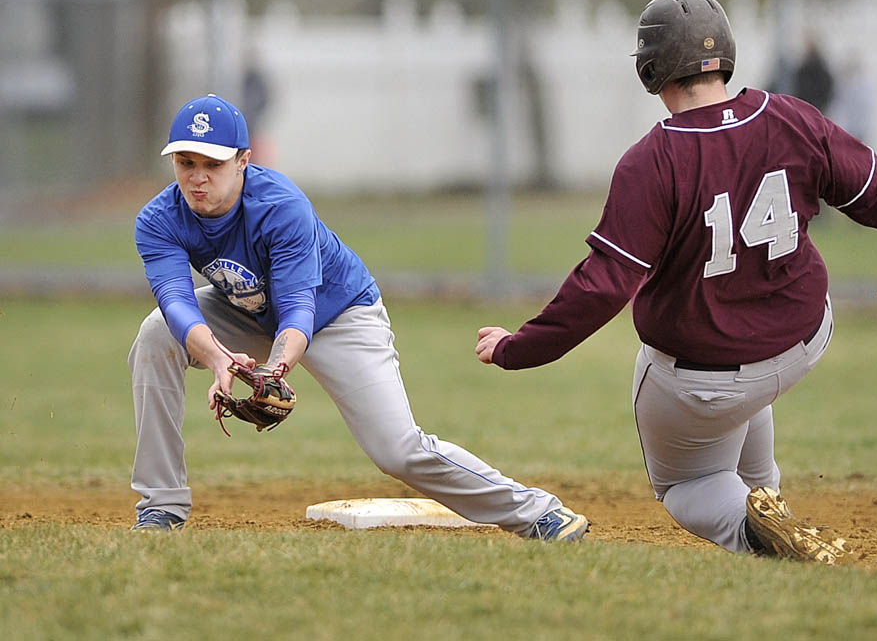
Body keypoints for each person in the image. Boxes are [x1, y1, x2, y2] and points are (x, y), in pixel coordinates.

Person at [474, 0, 877, 563]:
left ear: (651, 68)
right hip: (803, 341)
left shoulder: (653, 161)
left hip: (705, 379)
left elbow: (604, 284)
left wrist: (519, 347)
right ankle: (768, 502)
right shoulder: (790, 117)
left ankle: (752, 531)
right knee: (746, 391)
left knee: (686, 485)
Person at [129, 93, 588, 541]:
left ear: (244, 161)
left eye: (213, 164)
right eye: (186, 163)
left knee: (397, 450)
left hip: (339, 313)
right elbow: (176, 303)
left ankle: (539, 513)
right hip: (245, 311)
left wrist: (276, 368)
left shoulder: (281, 206)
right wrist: (217, 360)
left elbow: (298, 308)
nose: (198, 178)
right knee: (155, 334)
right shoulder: (159, 219)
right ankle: (161, 505)